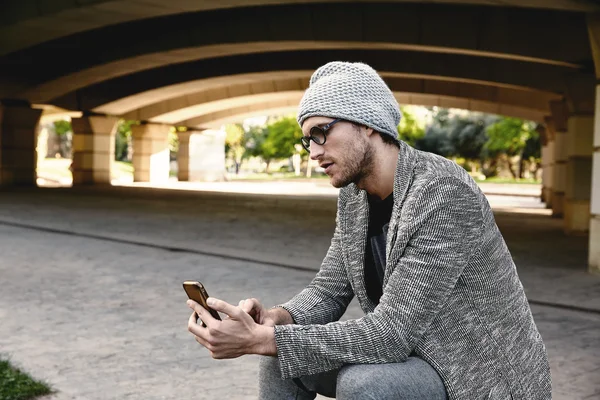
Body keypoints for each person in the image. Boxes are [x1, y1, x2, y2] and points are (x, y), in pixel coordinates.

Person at [186, 61, 552, 400]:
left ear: (367, 124)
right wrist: (275, 319)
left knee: (363, 382)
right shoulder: (355, 196)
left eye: (321, 133)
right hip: (413, 353)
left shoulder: (442, 192)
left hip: (478, 375)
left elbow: (390, 333)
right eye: (307, 139)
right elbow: (329, 289)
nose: (313, 152)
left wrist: (265, 339)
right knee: (283, 357)